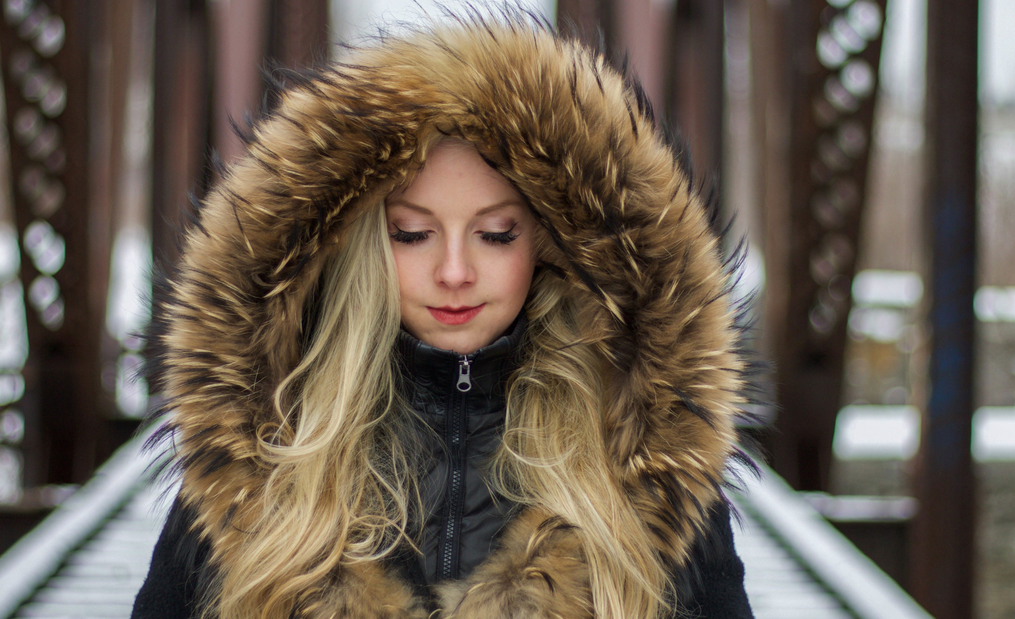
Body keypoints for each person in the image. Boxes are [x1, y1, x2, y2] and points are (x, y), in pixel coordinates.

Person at [133, 10, 754, 619]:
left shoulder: (648, 473)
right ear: (362, 247)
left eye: (495, 234)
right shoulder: (256, 462)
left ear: (544, 243)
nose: (453, 272)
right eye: (411, 234)